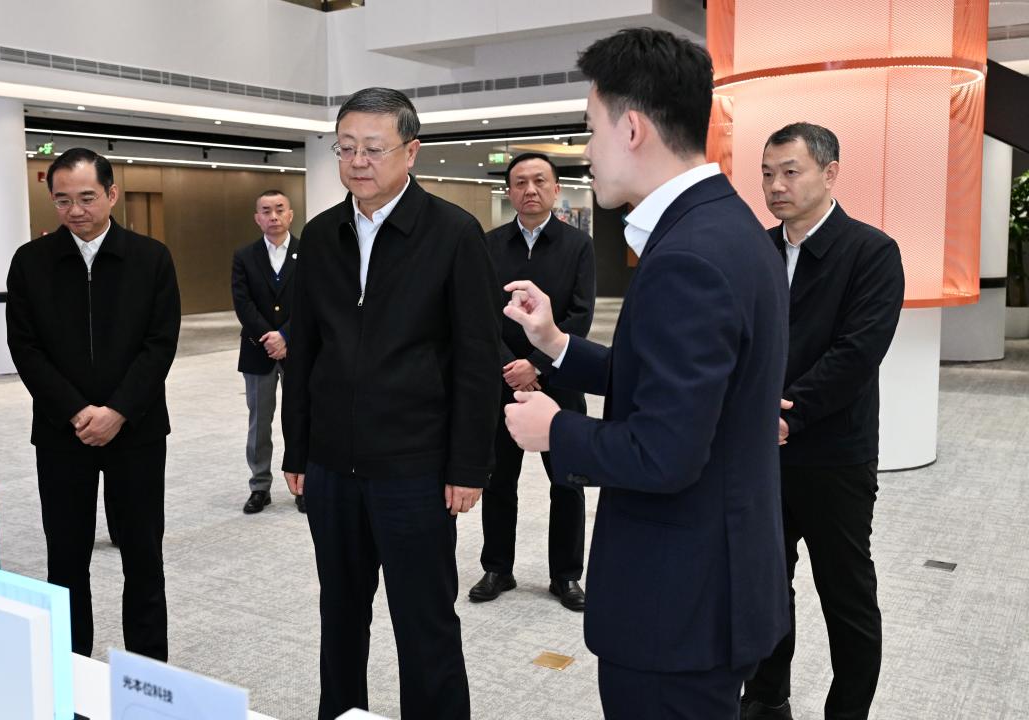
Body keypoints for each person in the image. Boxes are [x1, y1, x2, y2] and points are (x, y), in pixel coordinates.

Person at [502, 28, 790, 718]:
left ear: (631, 128)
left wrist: (555, 429)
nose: (585, 151)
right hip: (714, 581)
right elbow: (674, 385)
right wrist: (557, 343)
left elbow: (665, 452)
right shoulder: (727, 227)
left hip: (678, 603)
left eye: (589, 128)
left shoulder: (688, 256)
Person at [281, 87, 501, 720]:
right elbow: (305, 350)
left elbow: (477, 359)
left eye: (373, 149)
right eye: (346, 148)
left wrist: (468, 465)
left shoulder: (454, 234)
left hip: (416, 468)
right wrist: (298, 448)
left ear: (411, 151)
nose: (357, 162)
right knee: (339, 616)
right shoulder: (320, 235)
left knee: (424, 623)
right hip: (332, 466)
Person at [741, 123, 905, 720]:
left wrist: (790, 413)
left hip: (835, 456)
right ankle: (766, 697)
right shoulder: (755, 249)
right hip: (761, 454)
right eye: (767, 173)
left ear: (830, 173)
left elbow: (857, 353)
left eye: (791, 171)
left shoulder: (872, 251)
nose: (775, 186)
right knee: (764, 585)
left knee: (846, 596)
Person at [6, 147, 180, 661]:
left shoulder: (150, 258)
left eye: (86, 197)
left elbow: (160, 343)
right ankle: (70, 665)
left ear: (111, 194)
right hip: (62, 433)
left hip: (137, 430)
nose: (75, 210)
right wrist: (77, 412)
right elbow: (25, 347)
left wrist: (118, 411)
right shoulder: (31, 261)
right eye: (62, 200)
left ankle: (147, 668)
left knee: (143, 556)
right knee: (65, 557)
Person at [469, 152, 594, 612]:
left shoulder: (578, 245)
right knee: (499, 479)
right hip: (502, 383)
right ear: (510, 191)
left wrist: (537, 365)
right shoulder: (489, 244)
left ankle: (566, 575)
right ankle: (497, 567)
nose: (530, 189)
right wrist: (513, 367)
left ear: (556, 189)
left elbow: (580, 316)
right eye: (520, 182)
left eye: (540, 181)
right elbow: (481, 315)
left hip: (561, 381)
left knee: (567, 482)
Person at [232, 189, 303, 515]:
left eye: (279, 209)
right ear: (257, 218)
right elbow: (242, 303)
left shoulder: (308, 253)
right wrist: (270, 338)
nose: (273, 216)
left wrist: (286, 335)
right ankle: (260, 486)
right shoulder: (244, 256)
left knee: (300, 417)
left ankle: (302, 483)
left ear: (290, 214)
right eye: (266, 211)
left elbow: (312, 300)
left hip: (298, 349)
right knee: (259, 422)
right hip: (257, 351)